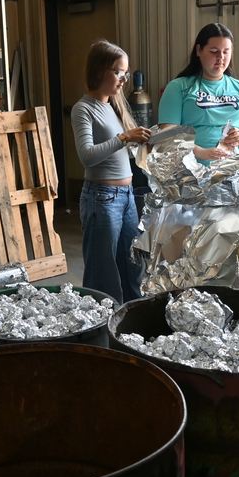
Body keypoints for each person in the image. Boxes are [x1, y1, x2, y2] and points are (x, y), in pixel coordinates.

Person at [71, 40, 151, 303]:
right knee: (102, 273)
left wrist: (142, 142)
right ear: (99, 70)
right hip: (102, 198)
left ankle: (129, 324)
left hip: (126, 197)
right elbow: (87, 156)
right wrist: (125, 137)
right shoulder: (83, 109)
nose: (123, 80)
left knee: (132, 265)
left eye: (125, 73)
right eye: (118, 72)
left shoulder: (113, 106)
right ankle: (100, 333)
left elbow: (121, 151)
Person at [158, 23, 239, 161]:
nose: (221, 57)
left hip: (234, 172)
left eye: (226, 51)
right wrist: (201, 152)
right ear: (198, 50)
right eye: (214, 51)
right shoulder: (178, 87)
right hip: (191, 172)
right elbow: (167, 135)